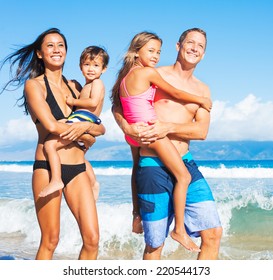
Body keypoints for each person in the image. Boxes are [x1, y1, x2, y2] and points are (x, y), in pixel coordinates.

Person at [112, 28, 222, 260]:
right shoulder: (153, 73)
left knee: (213, 233)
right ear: (178, 46)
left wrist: (168, 127)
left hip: (185, 162)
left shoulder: (203, 90)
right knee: (154, 244)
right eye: (190, 42)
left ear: (204, 54)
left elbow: (201, 131)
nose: (194, 48)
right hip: (153, 166)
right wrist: (127, 127)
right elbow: (118, 105)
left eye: (200, 46)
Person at [0, 28, 105, 260]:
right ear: (39, 53)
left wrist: (86, 130)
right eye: (50, 45)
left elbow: (99, 127)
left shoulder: (76, 87)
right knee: (51, 239)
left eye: (61, 45)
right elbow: (51, 126)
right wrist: (85, 131)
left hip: (78, 169)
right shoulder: (34, 86)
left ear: (67, 52)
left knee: (92, 239)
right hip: (48, 168)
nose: (56, 49)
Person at [39, 45, 109, 198]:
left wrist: (72, 101)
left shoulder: (97, 83)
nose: (91, 69)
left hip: (84, 118)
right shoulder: (86, 85)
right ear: (80, 67)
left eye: (96, 65)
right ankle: (93, 182)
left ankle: (56, 180)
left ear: (103, 69)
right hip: (82, 118)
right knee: (80, 156)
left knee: (50, 145)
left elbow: (93, 102)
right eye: (87, 65)